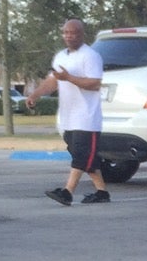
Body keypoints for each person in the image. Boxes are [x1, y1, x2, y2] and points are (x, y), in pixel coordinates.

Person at [29, 18, 110, 206]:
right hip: (68, 118)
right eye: (66, 32)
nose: (69, 36)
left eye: (73, 33)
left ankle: (67, 192)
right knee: (85, 158)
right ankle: (102, 192)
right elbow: (52, 81)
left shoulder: (90, 56)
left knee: (81, 156)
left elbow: (94, 84)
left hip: (86, 118)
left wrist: (69, 78)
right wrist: (35, 95)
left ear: (82, 34)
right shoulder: (61, 56)